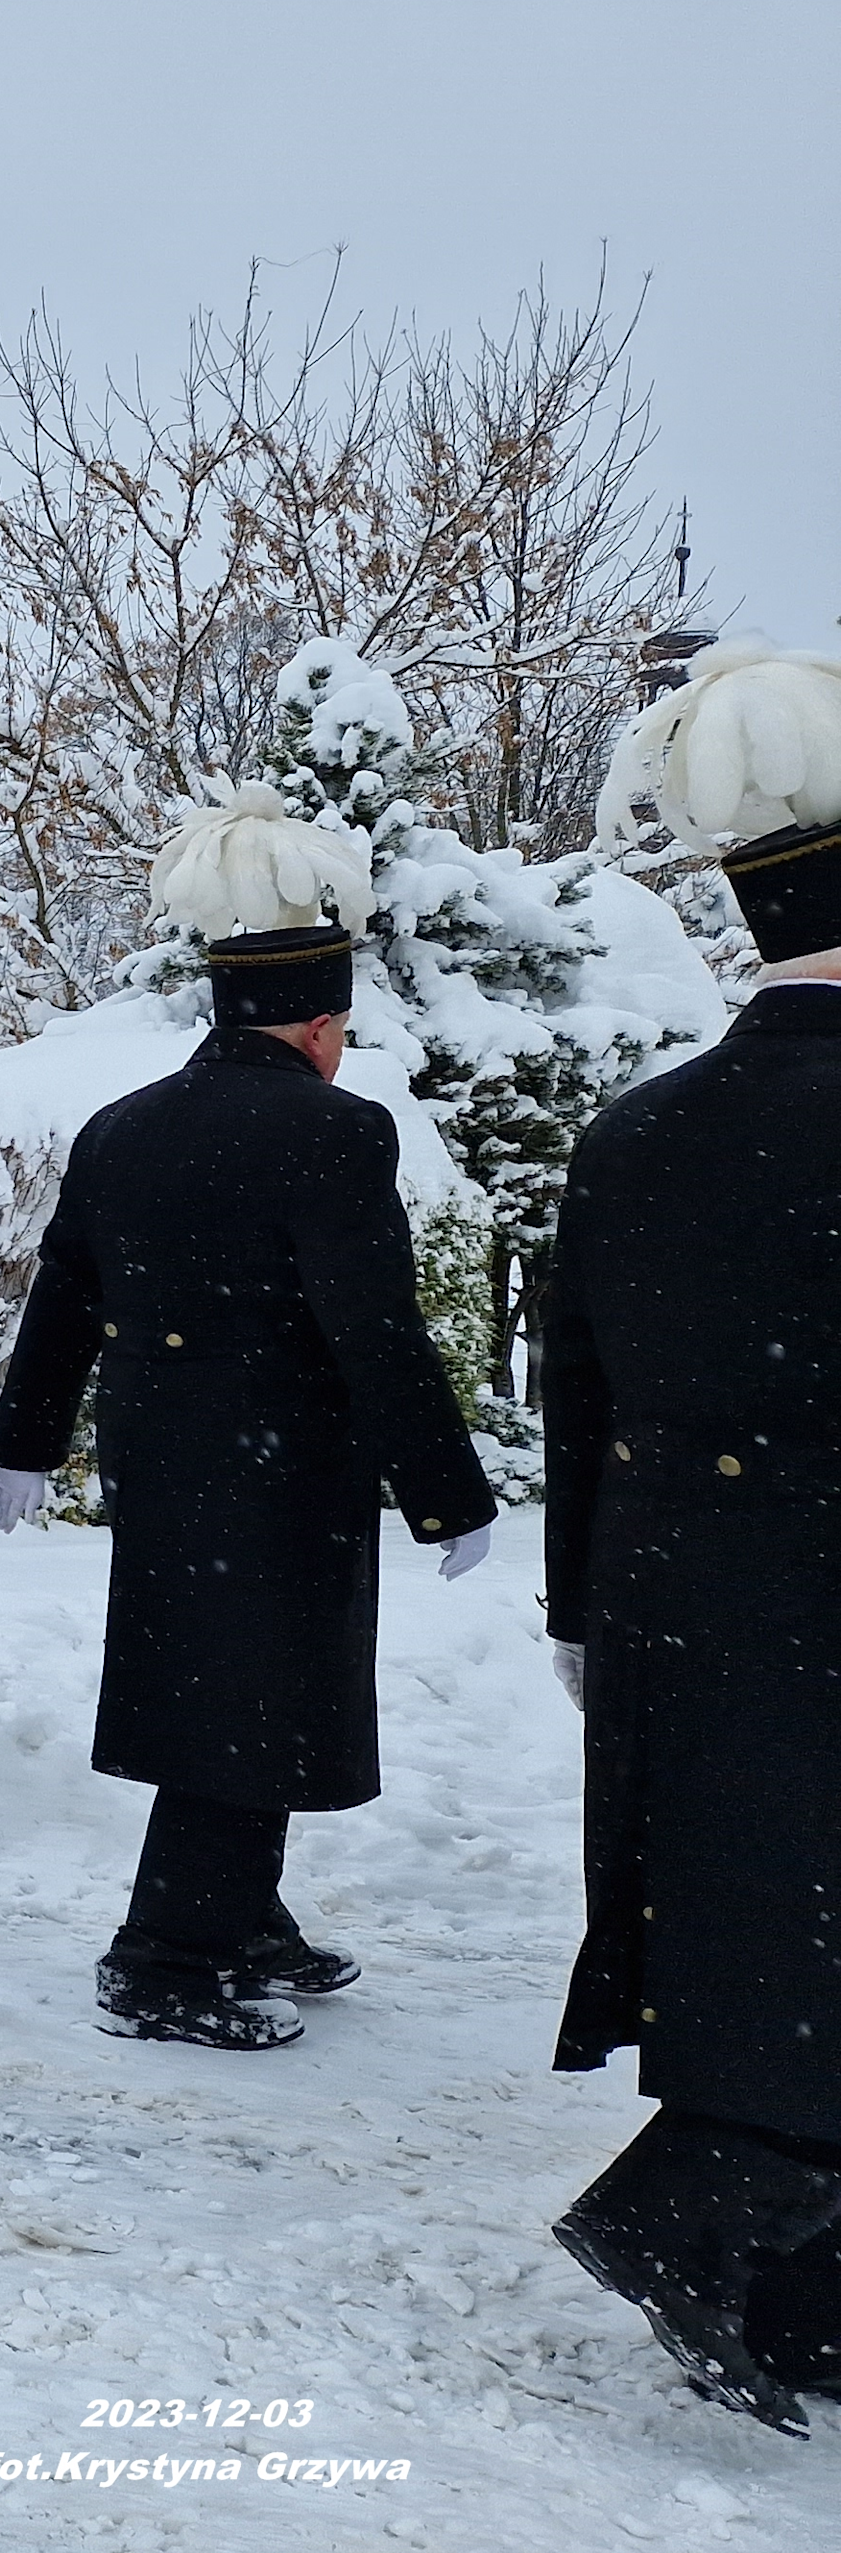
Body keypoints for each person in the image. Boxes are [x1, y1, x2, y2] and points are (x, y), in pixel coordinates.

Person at [0, 780, 495, 2051]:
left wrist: (24, 1440)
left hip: (167, 1467)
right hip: (283, 1475)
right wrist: (445, 1490)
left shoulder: (121, 1126)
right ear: (321, 1023)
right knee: (253, 1702)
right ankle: (164, 1958)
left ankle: (242, 1915)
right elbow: (374, 1327)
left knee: (220, 1692)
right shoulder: (333, 1131)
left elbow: (65, 1293)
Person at [538, 637, 841, 2433]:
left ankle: (802, 2294)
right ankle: (682, 2218)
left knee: (763, 1935)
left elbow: (577, 1392)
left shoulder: (636, 1133)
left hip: (684, 1595)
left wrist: (590, 1615)